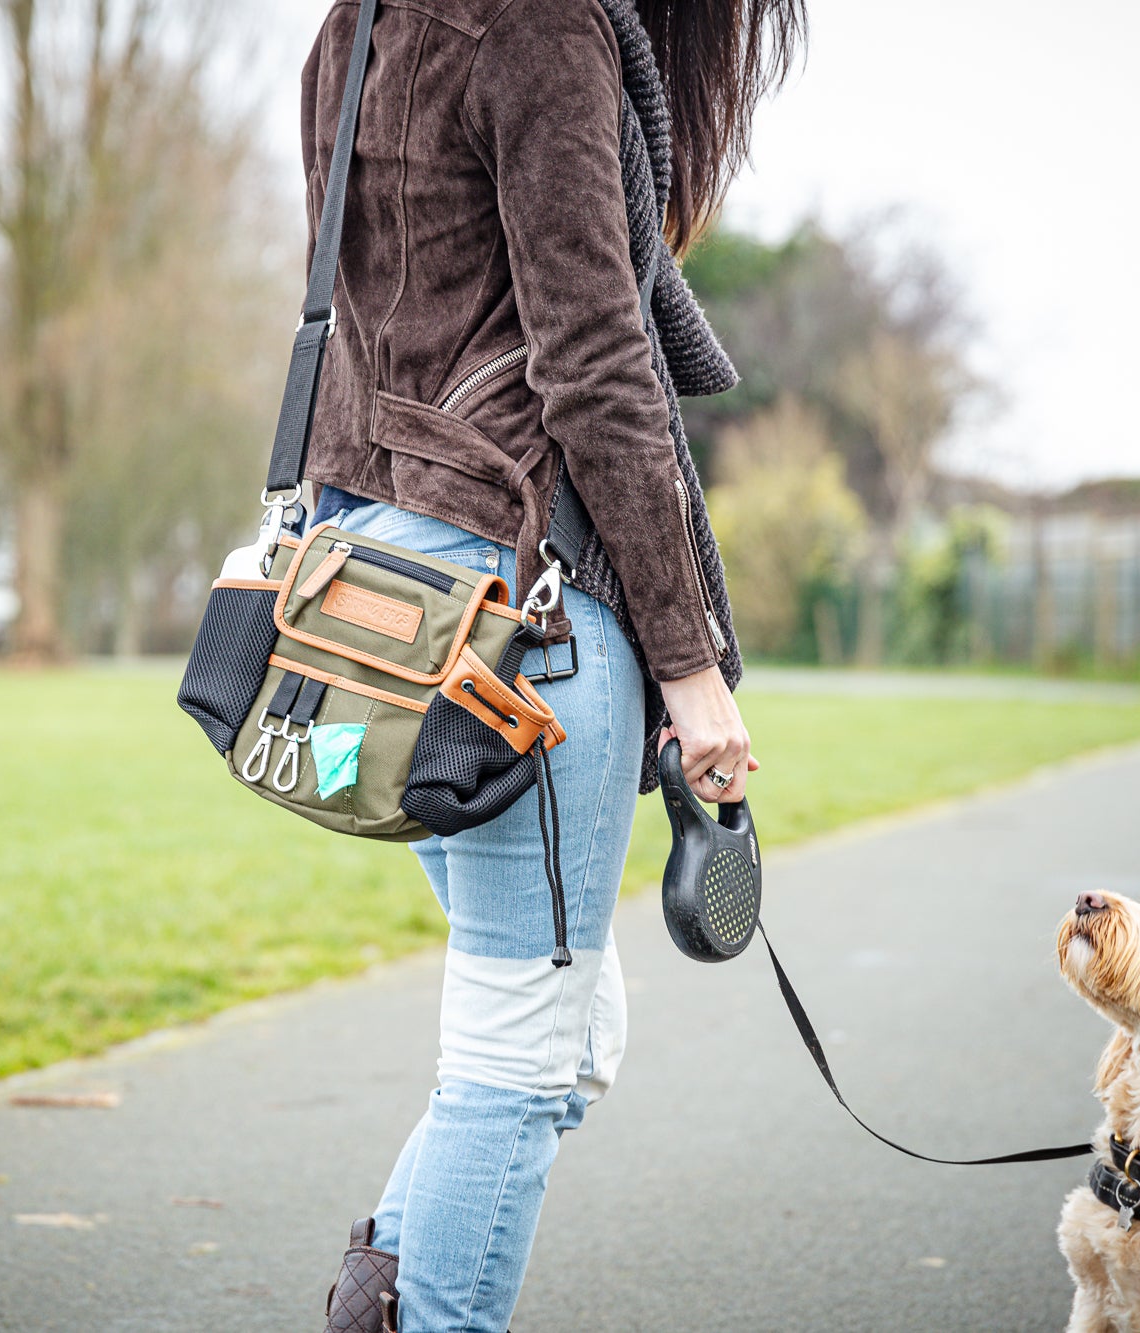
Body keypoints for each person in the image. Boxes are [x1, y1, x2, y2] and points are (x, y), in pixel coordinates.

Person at [302, 1, 803, 1328]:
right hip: (515, 613)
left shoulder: (362, 20)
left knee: (564, 1040)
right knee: (523, 1057)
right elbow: (596, 362)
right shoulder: (541, 23)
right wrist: (689, 664)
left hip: (375, 596)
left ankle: (384, 1298)